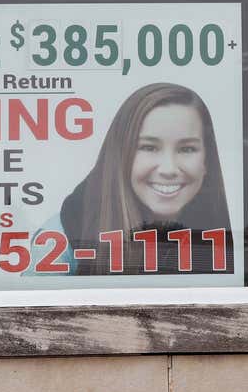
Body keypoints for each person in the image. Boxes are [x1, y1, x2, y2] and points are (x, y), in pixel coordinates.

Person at [46, 82, 233, 275]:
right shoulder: (60, 237)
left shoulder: (238, 234)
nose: (168, 169)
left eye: (187, 149)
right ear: (121, 158)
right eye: (148, 147)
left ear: (206, 161)